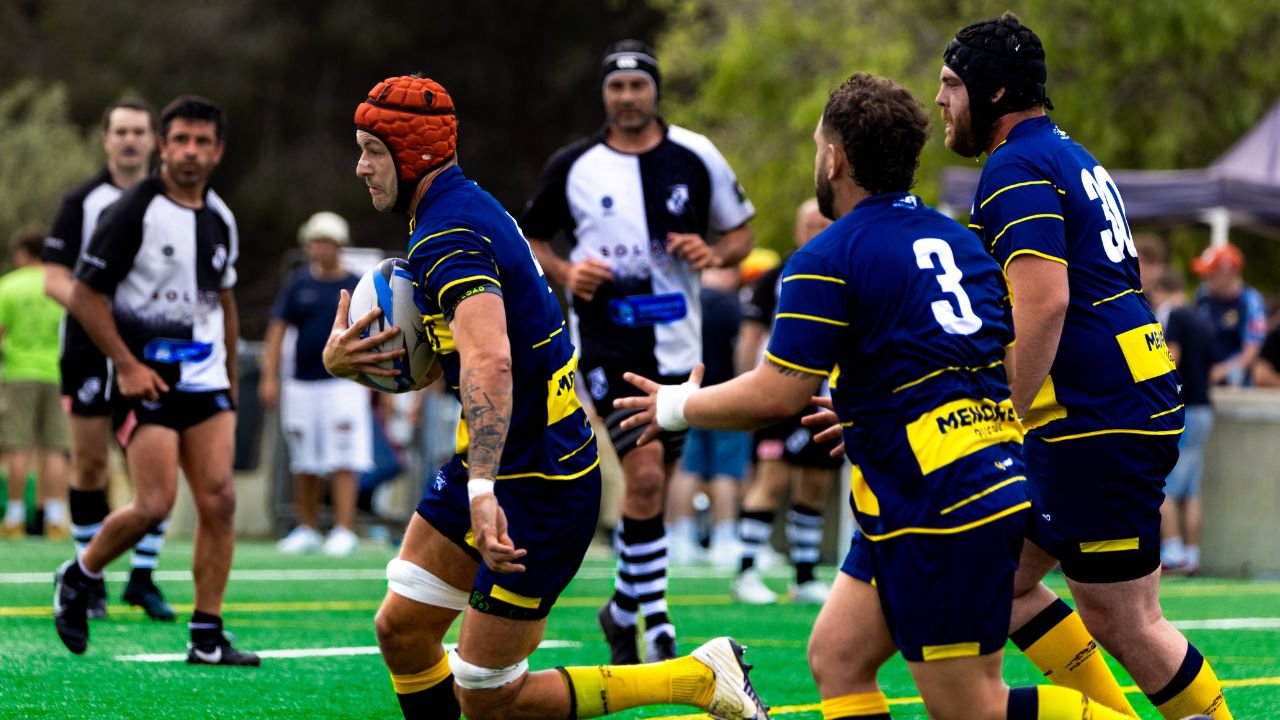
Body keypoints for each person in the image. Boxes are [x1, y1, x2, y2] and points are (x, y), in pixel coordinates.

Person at [618, 71, 1146, 720]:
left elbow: (777, 395)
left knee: (972, 707)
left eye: (819, 146)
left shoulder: (825, 256)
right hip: (955, 482)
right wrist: (867, 409)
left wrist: (674, 406)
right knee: (838, 655)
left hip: (942, 501)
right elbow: (969, 362)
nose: (819, 158)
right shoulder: (961, 242)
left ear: (835, 156)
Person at [321, 73, 767, 720]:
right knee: (403, 631)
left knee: (487, 695)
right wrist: (352, 362)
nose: (360, 166)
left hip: (538, 484)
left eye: (371, 149)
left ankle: (695, 677)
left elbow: (491, 362)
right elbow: (450, 358)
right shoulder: (459, 205)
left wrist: (480, 492)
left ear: (411, 153)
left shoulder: (446, 233)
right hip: (502, 461)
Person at [937, 13, 1231, 718]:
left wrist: (996, 416)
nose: (941, 101)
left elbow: (1044, 302)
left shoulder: (1014, 166)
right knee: (996, 580)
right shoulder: (1066, 152)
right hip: (1110, 401)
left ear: (995, 92)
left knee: (1127, 620)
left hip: (1095, 415)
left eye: (951, 84)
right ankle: (1112, 715)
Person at [522, 39, 756, 664]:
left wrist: (715, 255)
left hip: (682, 341)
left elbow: (740, 235)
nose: (627, 98)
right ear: (604, 95)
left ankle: (621, 607)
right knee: (645, 473)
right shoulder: (574, 164)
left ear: (655, 91)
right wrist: (568, 273)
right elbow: (532, 239)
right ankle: (654, 620)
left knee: (658, 482)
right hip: (607, 340)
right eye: (616, 88)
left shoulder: (696, 154)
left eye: (638, 86)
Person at [52, 95, 258, 666]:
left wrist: (231, 375)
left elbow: (226, 298)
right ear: (163, 147)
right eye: (180, 141)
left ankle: (207, 635)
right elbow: (84, 294)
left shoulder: (221, 216)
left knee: (219, 500)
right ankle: (79, 574)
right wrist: (125, 362)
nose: (190, 152)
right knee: (154, 503)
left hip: (207, 380)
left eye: (202, 142)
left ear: (217, 151)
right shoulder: (132, 211)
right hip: (148, 381)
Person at [41, 96, 175, 621]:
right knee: (90, 462)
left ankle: (142, 576)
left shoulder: (176, 201)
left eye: (139, 131)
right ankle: (86, 576)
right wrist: (99, 311)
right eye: (120, 131)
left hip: (155, 348)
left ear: (153, 140)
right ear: (105, 139)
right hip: (88, 349)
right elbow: (55, 276)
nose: (129, 140)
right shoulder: (82, 201)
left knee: (156, 464)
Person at [731, 198, 839, 606]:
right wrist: (746, 391)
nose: (817, 231)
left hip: (826, 397)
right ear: (798, 231)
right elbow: (750, 335)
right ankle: (745, 570)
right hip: (778, 395)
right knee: (772, 480)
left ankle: (805, 576)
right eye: (809, 224)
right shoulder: (777, 276)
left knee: (814, 485)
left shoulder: (843, 270)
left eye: (824, 223)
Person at [260, 211, 372, 557]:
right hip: (301, 384)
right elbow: (277, 331)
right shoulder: (298, 284)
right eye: (312, 242)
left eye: (324, 242)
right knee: (304, 458)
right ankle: (306, 527)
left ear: (338, 245)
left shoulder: (357, 284)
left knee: (343, 456)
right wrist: (270, 377)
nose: (316, 249)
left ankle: (343, 529)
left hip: (345, 384)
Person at [665, 266, 752, 568]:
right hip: (727, 396)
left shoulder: (687, 300)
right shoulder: (732, 304)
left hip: (688, 393)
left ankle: (681, 536)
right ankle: (724, 538)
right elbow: (743, 349)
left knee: (687, 468)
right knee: (726, 471)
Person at [0, 226, 70, 541]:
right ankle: (55, 518)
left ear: (23, 253)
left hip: (18, 374)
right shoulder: (64, 286)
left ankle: (14, 516)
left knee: (18, 446)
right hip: (59, 374)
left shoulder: (8, 286)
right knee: (56, 449)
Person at [1146, 271, 1215, 575]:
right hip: (1205, 409)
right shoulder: (1202, 319)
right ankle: (1191, 552)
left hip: (1184, 408)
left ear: (1161, 290)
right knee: (1191, 490)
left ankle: (1172, 552)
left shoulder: (1173, 314)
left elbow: (1171, 357)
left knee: (1168, 486)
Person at [1191, 243, 1267, 387]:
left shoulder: (1251, 302)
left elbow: (1251, 350)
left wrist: (1222, 370)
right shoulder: (1202, 295)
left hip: (1234, 382)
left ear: (1230, 273)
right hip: (1203, 377)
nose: (1206, 278)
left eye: (1211, 274)